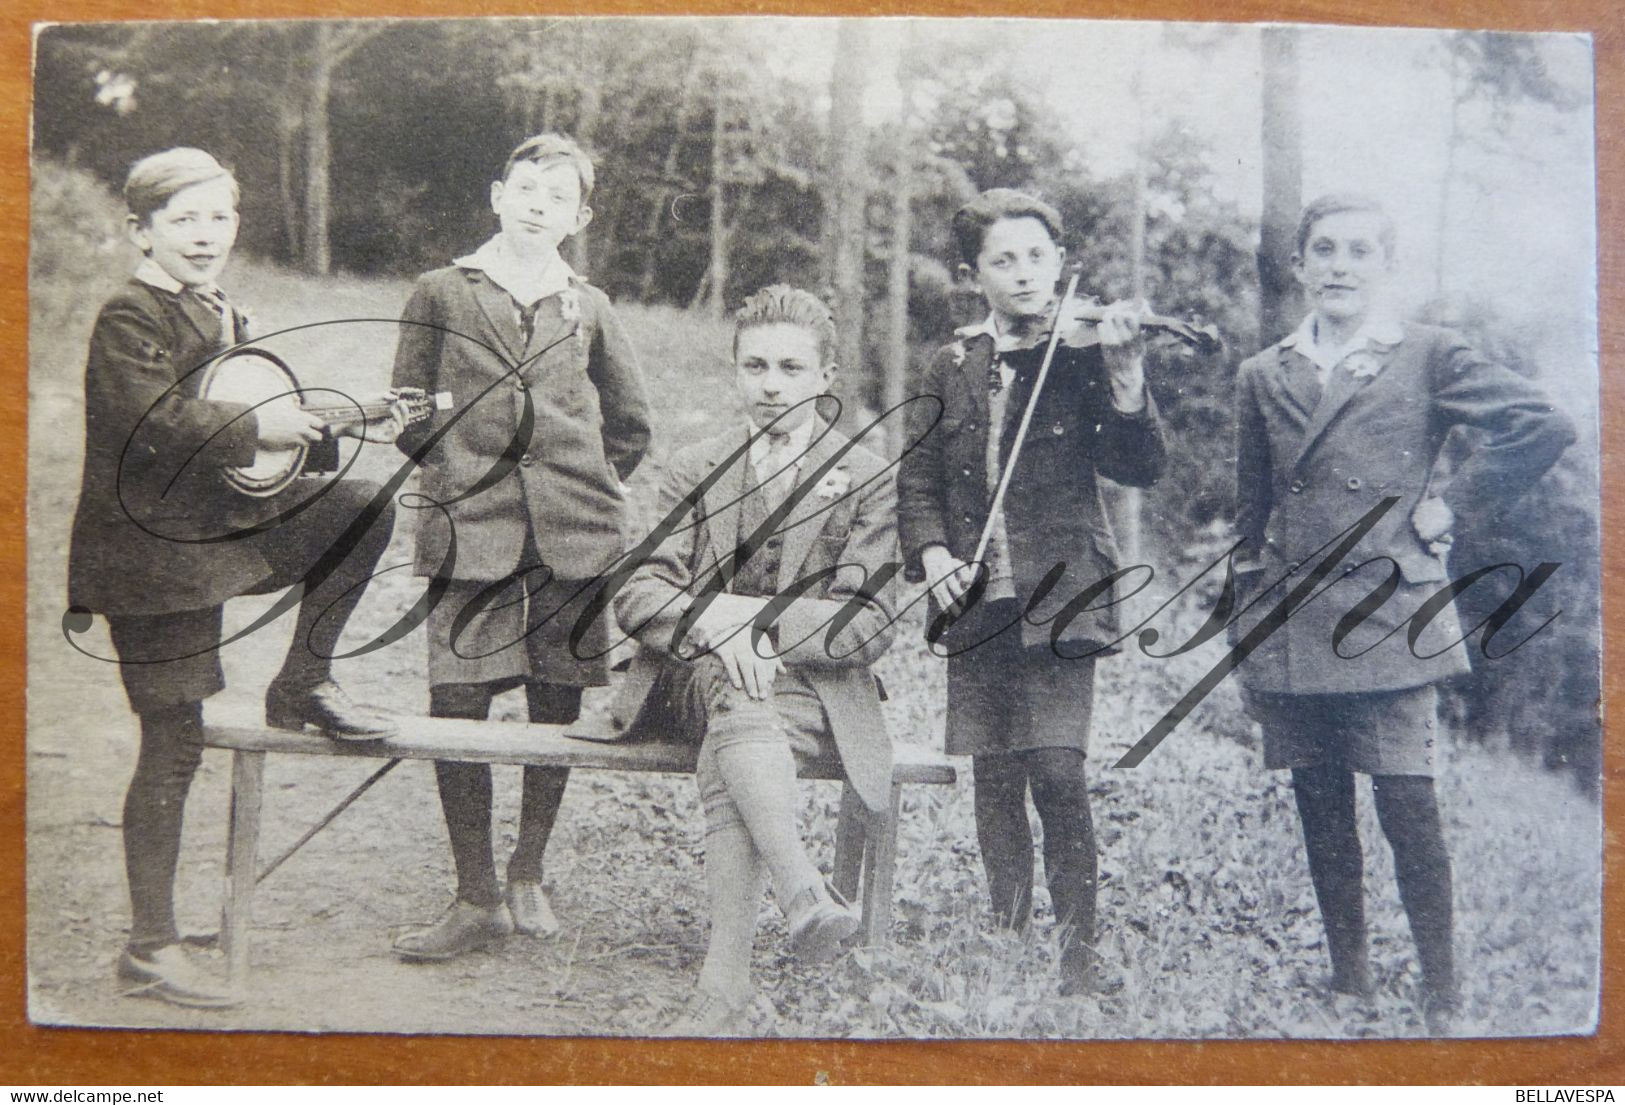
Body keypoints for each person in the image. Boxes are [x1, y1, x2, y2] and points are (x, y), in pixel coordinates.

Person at [1231, 193, 1577, 1031]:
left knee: (1406, 806)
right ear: (1301, 267)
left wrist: (1452, 502)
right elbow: (1250, 511)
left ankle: (1443, 993)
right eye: (1325, 250)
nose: (1341, 265)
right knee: (1320, 805)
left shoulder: (1424, 354)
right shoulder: (1264, 371)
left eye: (1359, 251)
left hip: (1392, 615)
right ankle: (1349, 981)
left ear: (1385, 267)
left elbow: (1541, 423)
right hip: (1293, 619)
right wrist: (1247, 612)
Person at [66, 147, 399, 1008]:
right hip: (149, 558)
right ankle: (150, 947)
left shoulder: (225, 312)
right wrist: (270, 423)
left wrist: (324, 431)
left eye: (218, 217)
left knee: (360, 503)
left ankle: (304, 680)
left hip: (215, 531)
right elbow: (156, 423)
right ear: (140, 229)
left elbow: (256, 439)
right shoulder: (127, 316)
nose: (204, 235)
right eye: (182, 220)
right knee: (173, 743)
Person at [895, 188, 1166, 996]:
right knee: (993, 771)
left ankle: (1079, 954)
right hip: (977, 596)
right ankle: (1009, 930)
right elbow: (917, 482)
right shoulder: (950, 364)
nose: (1022, 274)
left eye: (1037, 258)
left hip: (1064, 588)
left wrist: (1123, 376)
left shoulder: (1080, 354)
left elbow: (1138, 465)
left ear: (1059, 262)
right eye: (1002, 260)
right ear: (972, 273)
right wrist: (935, 551)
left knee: (1054, 765)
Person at [388, 133, 652, 960]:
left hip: (572, 539)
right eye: (525, 186)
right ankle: (474, 893)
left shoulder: (589, 305)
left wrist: (582, 485)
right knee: (456, 699)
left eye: (558, 195)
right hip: (470, 532)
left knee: (557, 700)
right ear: (497, 194)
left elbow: (631, 421)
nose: (538, 203)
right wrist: (456, 471)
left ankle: (527, 867)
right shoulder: (441, 288)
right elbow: (406, 405)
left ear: (578, 218)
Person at [613, 285, 899, 1036]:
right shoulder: (695, 465)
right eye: (755, 365)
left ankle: (725, 987)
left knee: (734, 737)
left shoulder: (866, 473)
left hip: (811, 693)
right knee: (731, 690)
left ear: (824, 377)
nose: (771, 383)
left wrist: (751, 625)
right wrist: (713, 627)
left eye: (791, 368)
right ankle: (801, 889)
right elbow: (639, 590)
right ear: (736, 371)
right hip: (692, 679)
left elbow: (867, 619)